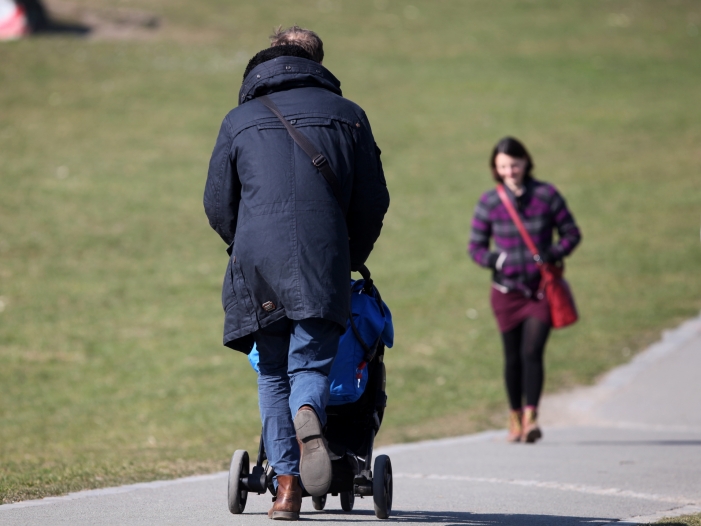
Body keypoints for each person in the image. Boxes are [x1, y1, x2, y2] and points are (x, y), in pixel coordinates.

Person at [204, 26, 389, 520]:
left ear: (263, 61)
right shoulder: (350, 116)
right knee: (308, 365)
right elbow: (372, 201)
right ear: (317, 61)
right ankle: (309, 411)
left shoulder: (238, 120)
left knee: (271, 369)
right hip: (323, 257)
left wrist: (241, 246)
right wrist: (350, 254)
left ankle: (286, 490)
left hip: (257, 261)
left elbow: (217, 204)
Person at [468, 137, 581, 443]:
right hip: (506, 293)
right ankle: (514, 417)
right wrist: (497, 259)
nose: (510, 171)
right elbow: (475, 248)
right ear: (496, 168)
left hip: (540, 291)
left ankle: (531, 418)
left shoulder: (547, 195)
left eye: (515, 164)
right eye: (503, 166)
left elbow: (572, 233)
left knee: (532, 351)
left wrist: (554, 252)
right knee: (512, 356)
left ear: (526, 162)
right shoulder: (489, 202)